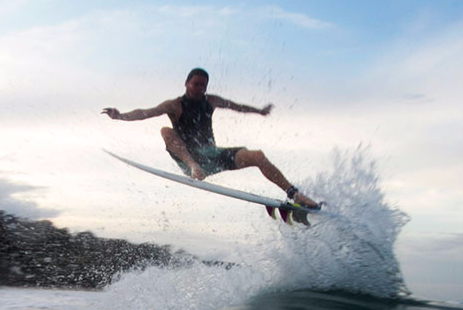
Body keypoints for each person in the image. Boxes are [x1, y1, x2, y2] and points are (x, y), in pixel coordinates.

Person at [102, 68, 320, 209]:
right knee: (165, 131)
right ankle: (195, 167)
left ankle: (294, 194)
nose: (199, 88)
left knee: (257, 156)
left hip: (211, 156)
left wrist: (260, 111)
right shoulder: (174, 105)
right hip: (188, 160)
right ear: (186, 83)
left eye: (203, 85)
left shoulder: (211, 101)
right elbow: (145, 112)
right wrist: (119, 116)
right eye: (195, 84)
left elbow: (237, 107)